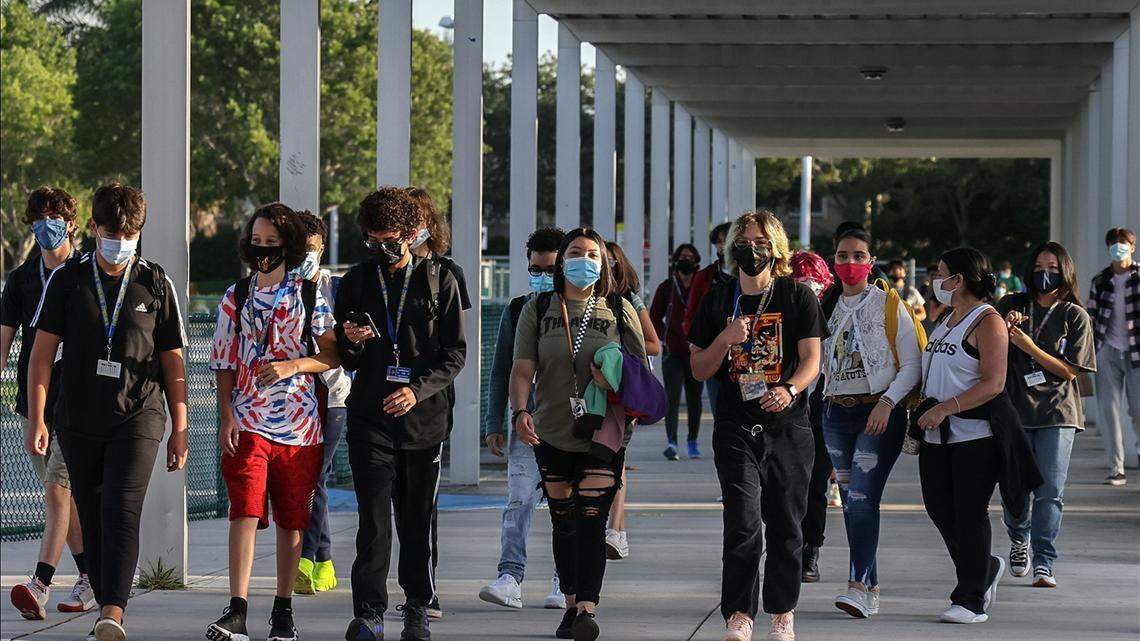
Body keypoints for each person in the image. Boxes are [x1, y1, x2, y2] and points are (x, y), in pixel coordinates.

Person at [27, 182, 189, 641]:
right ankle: (105, 602)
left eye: (131, 233)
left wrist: (181, 425)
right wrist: (38, 418)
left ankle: (113, 613)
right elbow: (41, 355)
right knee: (93, 513)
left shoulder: (155, 281)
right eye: (113, 232)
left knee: (122, 509)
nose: (121, 241)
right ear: (94, 228)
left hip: (139, 416)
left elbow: (174, 360)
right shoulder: (68, 280)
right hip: (78, 419)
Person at [688, 211, 826, 641]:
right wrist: (724, 339)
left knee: (787, 522)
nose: (753, 248)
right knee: (743, 522)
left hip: (788, 426)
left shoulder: (797, 296)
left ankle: (782, 612)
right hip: (735, 425)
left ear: (777, 248)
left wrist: (789, 388)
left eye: (762, 241)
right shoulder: (717, 298)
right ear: (732, 249)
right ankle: (739, 614)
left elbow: (811, 361)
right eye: (744, 240)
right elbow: (697, 368)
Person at [336, 187, 466, 641]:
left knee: (415, 521)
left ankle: (416, 605)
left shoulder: (441, 279)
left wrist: (415, 390)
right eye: (372, 240)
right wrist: (351, 341)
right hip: (369, 418)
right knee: (372, 521)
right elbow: (345, 358)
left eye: (389, 239)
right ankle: (368, 611)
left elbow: (455, 354)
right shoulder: (354, 281)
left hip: (423, 422)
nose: (381, 248)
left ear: (412, 234)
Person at [206, 203, 340, 641]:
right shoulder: (236, 296)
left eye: (272, 243)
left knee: (292, 519)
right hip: (248, 420)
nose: (262, 250)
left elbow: (332, 354)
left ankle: (283, 611)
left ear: (289, 246)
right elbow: (224, 360)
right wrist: (226, 413)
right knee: (243, 510)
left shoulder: (307, 294)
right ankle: (237, 608)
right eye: (256, 242)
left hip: (301, 427)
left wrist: (292, 366)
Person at [511, 227, 647, 641]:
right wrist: (520, 412)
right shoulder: (538, 307)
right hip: (552, 428)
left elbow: (639, 372)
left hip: (604, 431)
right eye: (575, 251)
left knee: (591, 520)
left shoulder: (619, 308)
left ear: (605, 261)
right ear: (562, 259)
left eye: (592, 253)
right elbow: (521, 369)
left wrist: (612, 383)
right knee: (563, 521)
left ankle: (588, 606)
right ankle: (570, 602)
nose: (583, 259)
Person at [2, 187, 94, 621]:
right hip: (33, 403)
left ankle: (39, 583)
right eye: (37, 218)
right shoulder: (21, 279)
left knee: (59, 489)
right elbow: (4, 339)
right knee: (63, 498)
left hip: (77, 403)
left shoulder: (87, 273)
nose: (45, 225)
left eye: (53, 216)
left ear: (72, 223)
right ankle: (93, 575)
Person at [820, 227, 921, 618]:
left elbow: (912, 364)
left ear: (871, 260)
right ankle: (870, 586)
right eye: (842, 255)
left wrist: (887, 402)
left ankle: (857, 586)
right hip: (834, 414)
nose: (850, 263)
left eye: (858, 255)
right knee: (850, 504)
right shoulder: (824, 306)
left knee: (862, 499)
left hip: (878, 413)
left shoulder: (890, 305)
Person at [915, 247, 1009, 624]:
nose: (936, 280)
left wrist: (946, 407)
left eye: (942, 274)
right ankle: (983, 566)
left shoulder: (988, 321)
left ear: (960, 279)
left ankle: (971, 598)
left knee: (969, 513)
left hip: (974, 436)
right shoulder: (948, 318)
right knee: (940, 508)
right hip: (936, 436)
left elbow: (994, 383)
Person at [997, 241, 1095, 589]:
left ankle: (1044, 559)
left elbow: (1069, 372)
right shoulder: (1012, 305)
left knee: (1050, 491)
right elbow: (984, 344)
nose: (1045, 273)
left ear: (1065, 271)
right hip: (1015, 409)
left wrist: (1029, 346)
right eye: (1039, 266)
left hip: (1058, 412)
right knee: (1015, 487)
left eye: (1052, 267)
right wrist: (1003, 326)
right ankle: (1018, 537)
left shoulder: (1074, 315)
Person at [478, 227, 567, 611]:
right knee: (518, 502)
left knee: (569, 508)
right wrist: (495, 422)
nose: (542, 276)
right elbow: (502, 369)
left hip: (571, 425)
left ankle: (567, 581)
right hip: (526, 423)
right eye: (535, 269)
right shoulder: (518, 310)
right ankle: (510, 576)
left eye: (549, 268)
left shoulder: (587, 309)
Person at [406, 186, 472, 620]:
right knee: (392, 503)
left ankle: (425, 591)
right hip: (382, 404)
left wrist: (424, 386)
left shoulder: (445, 273)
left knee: (422, 505)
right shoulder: (376, 274)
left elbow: (454, 346)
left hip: (429, 405)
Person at [293, 211, 354, 596]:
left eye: (311, 250)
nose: (305, 257)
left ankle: (307, 556)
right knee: (314, 480)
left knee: (315, 476)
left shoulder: (337, 288)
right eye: (299, 250)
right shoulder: (280, 286)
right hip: (292, 399)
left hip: (331, 397)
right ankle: (325, 559)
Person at [602, 240, 659, 561]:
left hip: (622, 390)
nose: (604, 267)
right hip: (589, 391)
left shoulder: (628, 301)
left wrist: (615, 351)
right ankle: (612, 529)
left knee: (616, 457)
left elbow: (653, 345)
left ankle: (616, 530)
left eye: (610, 261)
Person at [789, 250, 836, 585]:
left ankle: (810, 549)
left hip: (821, 412)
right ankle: (789, 544)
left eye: (815, 285)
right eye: (802, 284)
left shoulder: (836, 314)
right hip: (786, 410)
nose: (810, 291)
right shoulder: (779, 312)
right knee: (783, 487)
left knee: (816, 487)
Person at [1087, 227, 1140, 486]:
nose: (1118, 247)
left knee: (1138, 410)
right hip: (1107, 349)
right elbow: (1091, 316)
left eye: (1123, 243)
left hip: (1137, 351)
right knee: (1109, 410)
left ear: (1133, 246)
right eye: (1114, 244)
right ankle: (1116, 468)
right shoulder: (1100, 280)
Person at [650, 243, 704, 462]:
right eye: (682, 256)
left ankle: (692, 441)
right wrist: (666, 338)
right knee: (671, 398)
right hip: (673, 353)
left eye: (690, 257)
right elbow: (654, 317)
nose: (686, 259)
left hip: (696, 351)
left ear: (696, 261)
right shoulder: (667, 287)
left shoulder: (701, 287)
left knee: (694, 399)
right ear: (676, 260)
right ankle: (671, 442)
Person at [685, 222, 733, 414]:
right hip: (714, 351)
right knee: (719, 409)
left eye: (726, 241)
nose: (722, 247)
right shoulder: (705, 277)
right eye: (718, 243)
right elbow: (691, 314)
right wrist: (696, 344)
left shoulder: (747, 275)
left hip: (746, 352)